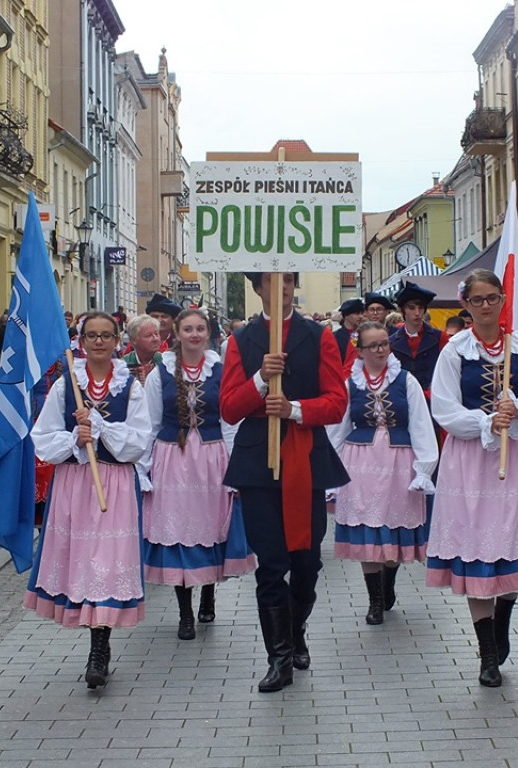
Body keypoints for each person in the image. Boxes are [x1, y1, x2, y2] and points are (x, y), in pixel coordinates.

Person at [428, 268, 518, 688]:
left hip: (516, 460)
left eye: (492, 298)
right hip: (469, 462)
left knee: (511, 545)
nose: (485, 306)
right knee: (476, 551)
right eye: (477, 300)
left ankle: (502, 618)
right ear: (465, 305)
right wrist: (486, 420)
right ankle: (487, 654)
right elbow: (444, 410)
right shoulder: (454, 352)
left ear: (503, 301)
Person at [219, 272, 350, 693]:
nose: (284, 289)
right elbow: (228, 409)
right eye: (274, 283)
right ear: (258, 289)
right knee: (271, 565)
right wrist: (260, 379)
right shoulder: (241, 340)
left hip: (306, 458)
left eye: (290, 280)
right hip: (258, 461)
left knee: (307, 563)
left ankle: (297, 630)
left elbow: (336, 401)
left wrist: (293, 408)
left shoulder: (319, 336)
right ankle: (279, 657)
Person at [25, 312, 152, 690]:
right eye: (91, 336)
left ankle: (101, 647)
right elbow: (43, 437)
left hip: (113, 482)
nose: (98, 342)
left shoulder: (130, 386)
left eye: (106, 336)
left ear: (117, 342)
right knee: (85, 563)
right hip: (77, 483)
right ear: (81, 341)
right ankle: (96, 643)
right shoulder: (68, 386)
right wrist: (75, 441)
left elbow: (139, 440)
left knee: (108, 566)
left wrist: (101, 429)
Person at [140, 308, 255, 640]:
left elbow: (231, 422)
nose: (193, 334)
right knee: (177, 529)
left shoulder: (221, 372)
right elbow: (150, 424)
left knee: (210, 526)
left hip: (210, 457)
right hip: (171, 458)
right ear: (176, 333)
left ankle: (208, 592)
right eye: (187, 329)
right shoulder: (160, 373)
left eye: (199, 329)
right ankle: (185, 612)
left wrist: (237, 467)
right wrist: (143, 469)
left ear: (208, 333)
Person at [327, 321, 438, 625]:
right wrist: (330, 475)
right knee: (368, 532)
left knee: (393, 531)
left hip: (398, 463)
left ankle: (387, 583)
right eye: (372, 346)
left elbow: (420, 425)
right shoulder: (350, 384)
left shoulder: (405, 380)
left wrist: (424, 468)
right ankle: (375, 600)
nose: (379, 350)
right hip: (360, 464)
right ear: (359, 351)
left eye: (384, 344)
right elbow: (336, 431)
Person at [389, 281, 449, 397]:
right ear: (402, 311)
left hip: (433, 399)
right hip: (403, 398)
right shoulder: (391, 342)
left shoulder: (440, 337)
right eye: (411, 308)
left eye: (420, 308)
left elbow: (448, 372)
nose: (417, 313)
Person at [122, 314, 162, 385]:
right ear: (133, 340)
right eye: (148, 335)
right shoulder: (123, 364)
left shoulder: (165, 363)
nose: (155, 339)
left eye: (156, 334)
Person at [333, 298, 364, 377]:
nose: (361, 316)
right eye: (357, 313)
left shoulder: (365, 335)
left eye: (362, 313)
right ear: (346, 315)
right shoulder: (334, 337)